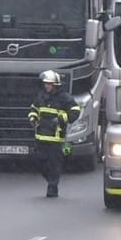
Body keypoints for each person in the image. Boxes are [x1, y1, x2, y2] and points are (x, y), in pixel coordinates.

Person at [27, 70, 79, 198]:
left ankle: (52, 187)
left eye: (49, 84)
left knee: (54, 164)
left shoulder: (65, 98)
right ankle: (50, 180)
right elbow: (33, 109)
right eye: (45, 84)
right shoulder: (41, 97)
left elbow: (75, 111)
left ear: (55, 85)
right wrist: (33, 118)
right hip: (40, 137)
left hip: (56, 139)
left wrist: (61, 119)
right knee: (39, 161)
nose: (47, 86)